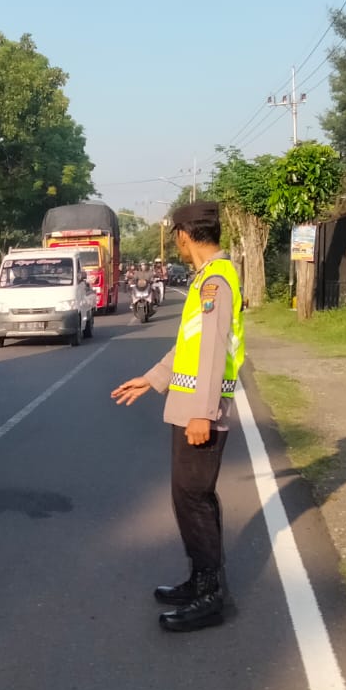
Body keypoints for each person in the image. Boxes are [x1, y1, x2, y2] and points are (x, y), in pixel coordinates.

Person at [110, 202, 245, 632]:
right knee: (189, 498)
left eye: (175, 237)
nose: (176, 245)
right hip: (188, 405)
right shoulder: (207, 279)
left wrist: (203, 414)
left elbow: (211, 352)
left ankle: (210, 594)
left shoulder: (216, 282)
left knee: (193, 498)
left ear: (184, 234)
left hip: (199, 411)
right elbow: (187, 346)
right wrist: (151, 379)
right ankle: (200, 579)